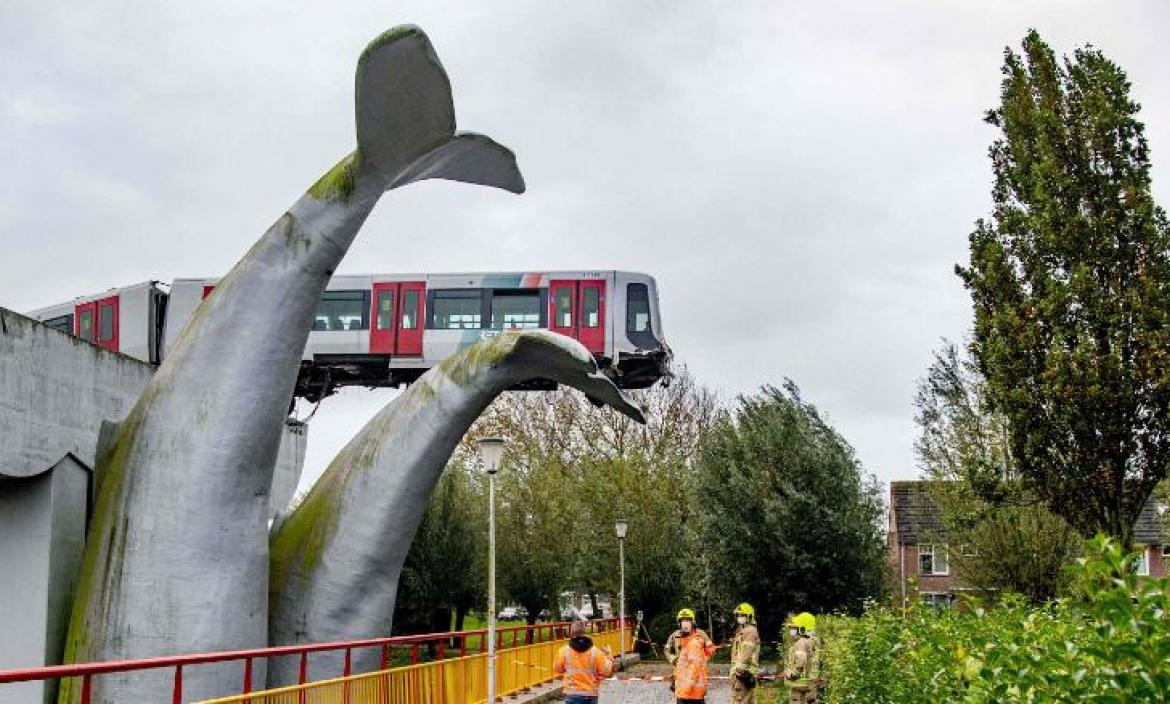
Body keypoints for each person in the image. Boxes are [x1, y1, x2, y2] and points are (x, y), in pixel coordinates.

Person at [552, 620, 615, 703]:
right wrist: (609, 656)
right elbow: (607, 672)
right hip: (591, 695)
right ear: (584, 632)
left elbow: (557, 669)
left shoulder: (564, 651)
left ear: (571, 633)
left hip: (572, 693)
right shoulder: (595, 652)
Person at [663, 607, 717, 703]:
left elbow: (711, 650)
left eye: (688, 620)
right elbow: (666, 650)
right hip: (681, 677)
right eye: (683, 621)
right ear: (679, 623)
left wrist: (701, 660)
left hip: (697, 680)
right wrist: (673, 659)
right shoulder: (675, 635)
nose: (685, 623)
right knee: (682, 698)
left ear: (693, 622)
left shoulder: (701, 634)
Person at [784, 612, 821, 703]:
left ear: (803, 629)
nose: (793, 630)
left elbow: (801, 662)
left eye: (795, 628)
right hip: (811, 684)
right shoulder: (814, 641)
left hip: (799, 685)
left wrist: (792, 674)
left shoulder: (801, 642)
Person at [729, 603, 760, 704]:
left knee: (739, 700)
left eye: (742, 615)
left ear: (749, 616)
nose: (739, 617)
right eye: (738, 615)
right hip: (745, 673)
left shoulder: (750, 631)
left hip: (742, 675)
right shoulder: (744, 630)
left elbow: (746, 653)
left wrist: (738, 671)